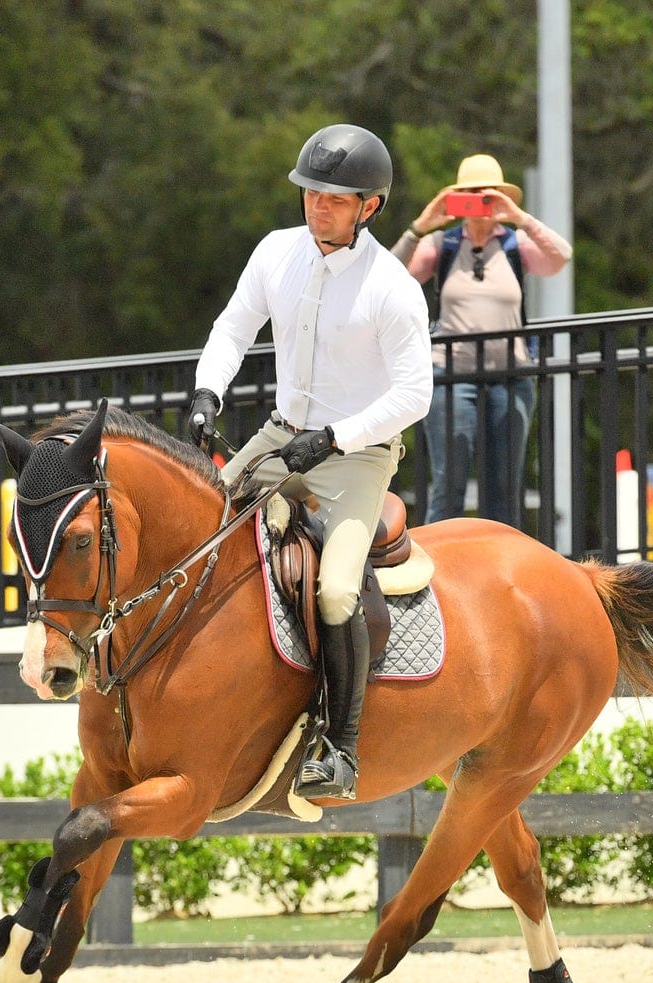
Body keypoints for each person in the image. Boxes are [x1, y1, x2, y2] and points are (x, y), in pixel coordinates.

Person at [184, 124, 432, 801]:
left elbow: (415, 394)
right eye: (311, 194)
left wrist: (333, 438)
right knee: (192, 534)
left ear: (369, 207)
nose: (318, 207)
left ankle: (341, 750)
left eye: (334, 198)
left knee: (335, 591)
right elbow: (233, 328)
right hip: (277, 437)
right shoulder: (275, 254)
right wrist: (209, 389)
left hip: (356, 458)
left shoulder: (391, 287)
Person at [393, 154, 572, 526]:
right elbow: (388, 279)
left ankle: (501, 566)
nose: (481, 204)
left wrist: (520, 218)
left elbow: (561, 257)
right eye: (472, 195)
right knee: (449, 483)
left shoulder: (515, 244)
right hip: (451, 379)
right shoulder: (441, 244)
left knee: (505, 485)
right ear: (457, 199)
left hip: (511, 377)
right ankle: (437, 567)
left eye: (489, 196)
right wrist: (420, 227)